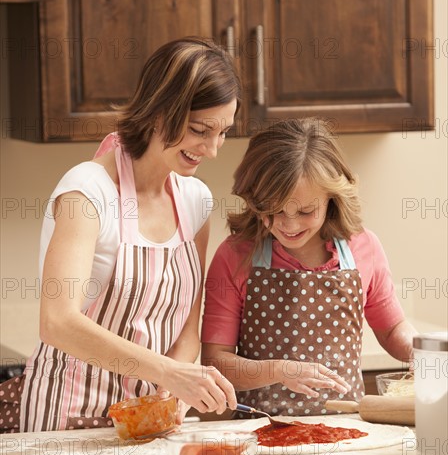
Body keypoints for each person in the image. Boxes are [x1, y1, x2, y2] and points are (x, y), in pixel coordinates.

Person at [1, 37, 240, 433]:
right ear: (159, 111)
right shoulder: (88, 191)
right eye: (200, 130)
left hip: (151, 416)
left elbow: (187, 329)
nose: (212, 149)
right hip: (69, 415)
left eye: (224, 132)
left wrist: (177, 392)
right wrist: (170, 373)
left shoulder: (196, 201)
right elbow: (58, 322)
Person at [201, 118, 417, 417]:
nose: (288, 225)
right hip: (260, 429)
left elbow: (393, 329)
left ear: (332, 198)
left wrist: (419, 353)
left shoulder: (363, 248)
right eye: (272, 211)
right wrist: (280, 370)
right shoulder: (235, 255)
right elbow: (215, 361)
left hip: (349, 428)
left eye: (305, 211)